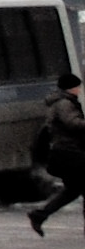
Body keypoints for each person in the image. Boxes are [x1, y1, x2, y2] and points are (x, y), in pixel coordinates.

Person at [30, 71, 85, 236]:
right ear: (70, 88)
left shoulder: (62, 102)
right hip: (70, 152)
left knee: (73, 190)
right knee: (77, 188)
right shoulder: (64, 104)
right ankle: (39, 215)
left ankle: (40, 215)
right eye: (77, 87)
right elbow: (72, 123)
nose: (79, 90)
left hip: (66, 152)